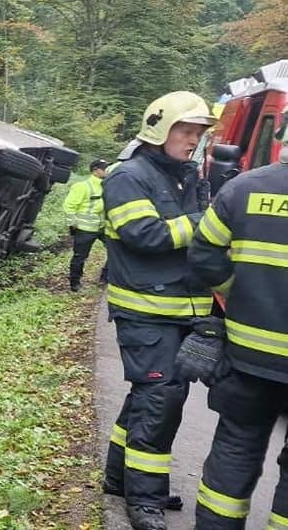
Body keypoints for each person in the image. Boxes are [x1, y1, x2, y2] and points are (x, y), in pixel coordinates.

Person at [100, 91, 218, 530]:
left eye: (199, 133)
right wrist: (209, 221)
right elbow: (143, 234)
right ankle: (145, 500)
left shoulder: (187, 176)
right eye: (186, 131)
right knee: (160, 399)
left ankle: (119, 479)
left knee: (148, 396)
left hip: (178, 311)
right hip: (145, 311)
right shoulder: (128, 176)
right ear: (159, 129)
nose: (194, 141)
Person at [185, 119, 288, 529]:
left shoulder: (244, 188)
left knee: (235, 449)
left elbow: (203, 254)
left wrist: (239, 294)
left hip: (247, 357)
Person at [65, 158, 110, 290]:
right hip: (85, 229)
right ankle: (75, 283)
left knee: (116, 251)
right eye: (104, 168)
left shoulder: (107, 185)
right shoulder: (82, 186)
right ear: (95, 171)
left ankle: (105, 277)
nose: (107, 171)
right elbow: (69, 206)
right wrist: (72, 224)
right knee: (80, 257)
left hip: (102, 227)